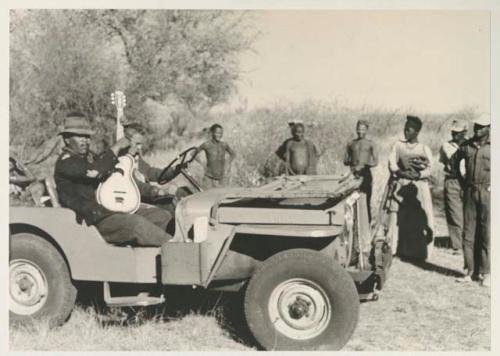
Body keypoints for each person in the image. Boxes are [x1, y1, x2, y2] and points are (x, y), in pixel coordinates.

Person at [54, 113, 174, 247]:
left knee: (161, 216)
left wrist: (126, 153)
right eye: (79, 136)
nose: (85, 141)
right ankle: (177, 251)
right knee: (135, 224)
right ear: (66, 139)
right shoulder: (66, 163)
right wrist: (116, 147)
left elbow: (116, 175)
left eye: (87, 136)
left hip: (109, 209)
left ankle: (175, 247)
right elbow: (95, 172)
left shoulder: (90, 157)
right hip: (92, 219)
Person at [387, 115, 434, 261]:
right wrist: (400, 172)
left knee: (417, 217)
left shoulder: (423, 148)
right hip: (401, 185)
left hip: (418, 187)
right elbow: (392, 163)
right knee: (399, 217)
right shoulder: (398, 146)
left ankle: (418, 251)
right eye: (405, 129)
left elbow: (430, 169)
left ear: (416, 132)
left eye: (409, 130)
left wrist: (418, 175)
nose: (406, 132)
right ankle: (397, 249)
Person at [452, 114, 490, 287]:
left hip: (488, 192)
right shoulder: (466, 146)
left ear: (489, 128)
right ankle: (469, 271)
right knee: (468, 232)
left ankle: (486, 273)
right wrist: (462, 182)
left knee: (486, 232)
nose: (477, 129)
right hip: (470, 190)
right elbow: (453, 163)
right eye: (476, 126)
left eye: (481, 127)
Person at [438, 120, 467, 255]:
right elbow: (445, 162)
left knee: (469, 212)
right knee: (454, 213)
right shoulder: (446, 146)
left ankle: (470, 242)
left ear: (464, 132)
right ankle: (458, 245)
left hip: (468, 182)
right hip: (453, 180)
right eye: (453, 132)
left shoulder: (470, 145)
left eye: (458, 132)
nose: (455, 134)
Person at [343, 119, 378, 221]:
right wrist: (353, 165)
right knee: (351, 201)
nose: (360, 131)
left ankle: (367, 225)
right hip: (354, 176)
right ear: (356, 129)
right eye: (358, 129)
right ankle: (353, 226)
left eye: (363, 129)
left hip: (366, 175)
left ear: (366, 130)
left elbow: (375, 161)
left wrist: (363, 165)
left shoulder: (371, 144)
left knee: (366, 201)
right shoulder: (351, 144)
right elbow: (345, 160)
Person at [196, 124, 236, 189]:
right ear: (212, 133)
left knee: (223, 196)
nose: (219, 135)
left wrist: (227, 164)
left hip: (222, 178)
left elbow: (233, 154)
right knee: (207, 196)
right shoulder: (206, 144)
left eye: (221, 133)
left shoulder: (224, 145)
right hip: (209, 177)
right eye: (217, 133)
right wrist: (202, 164)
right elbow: (193, 154)